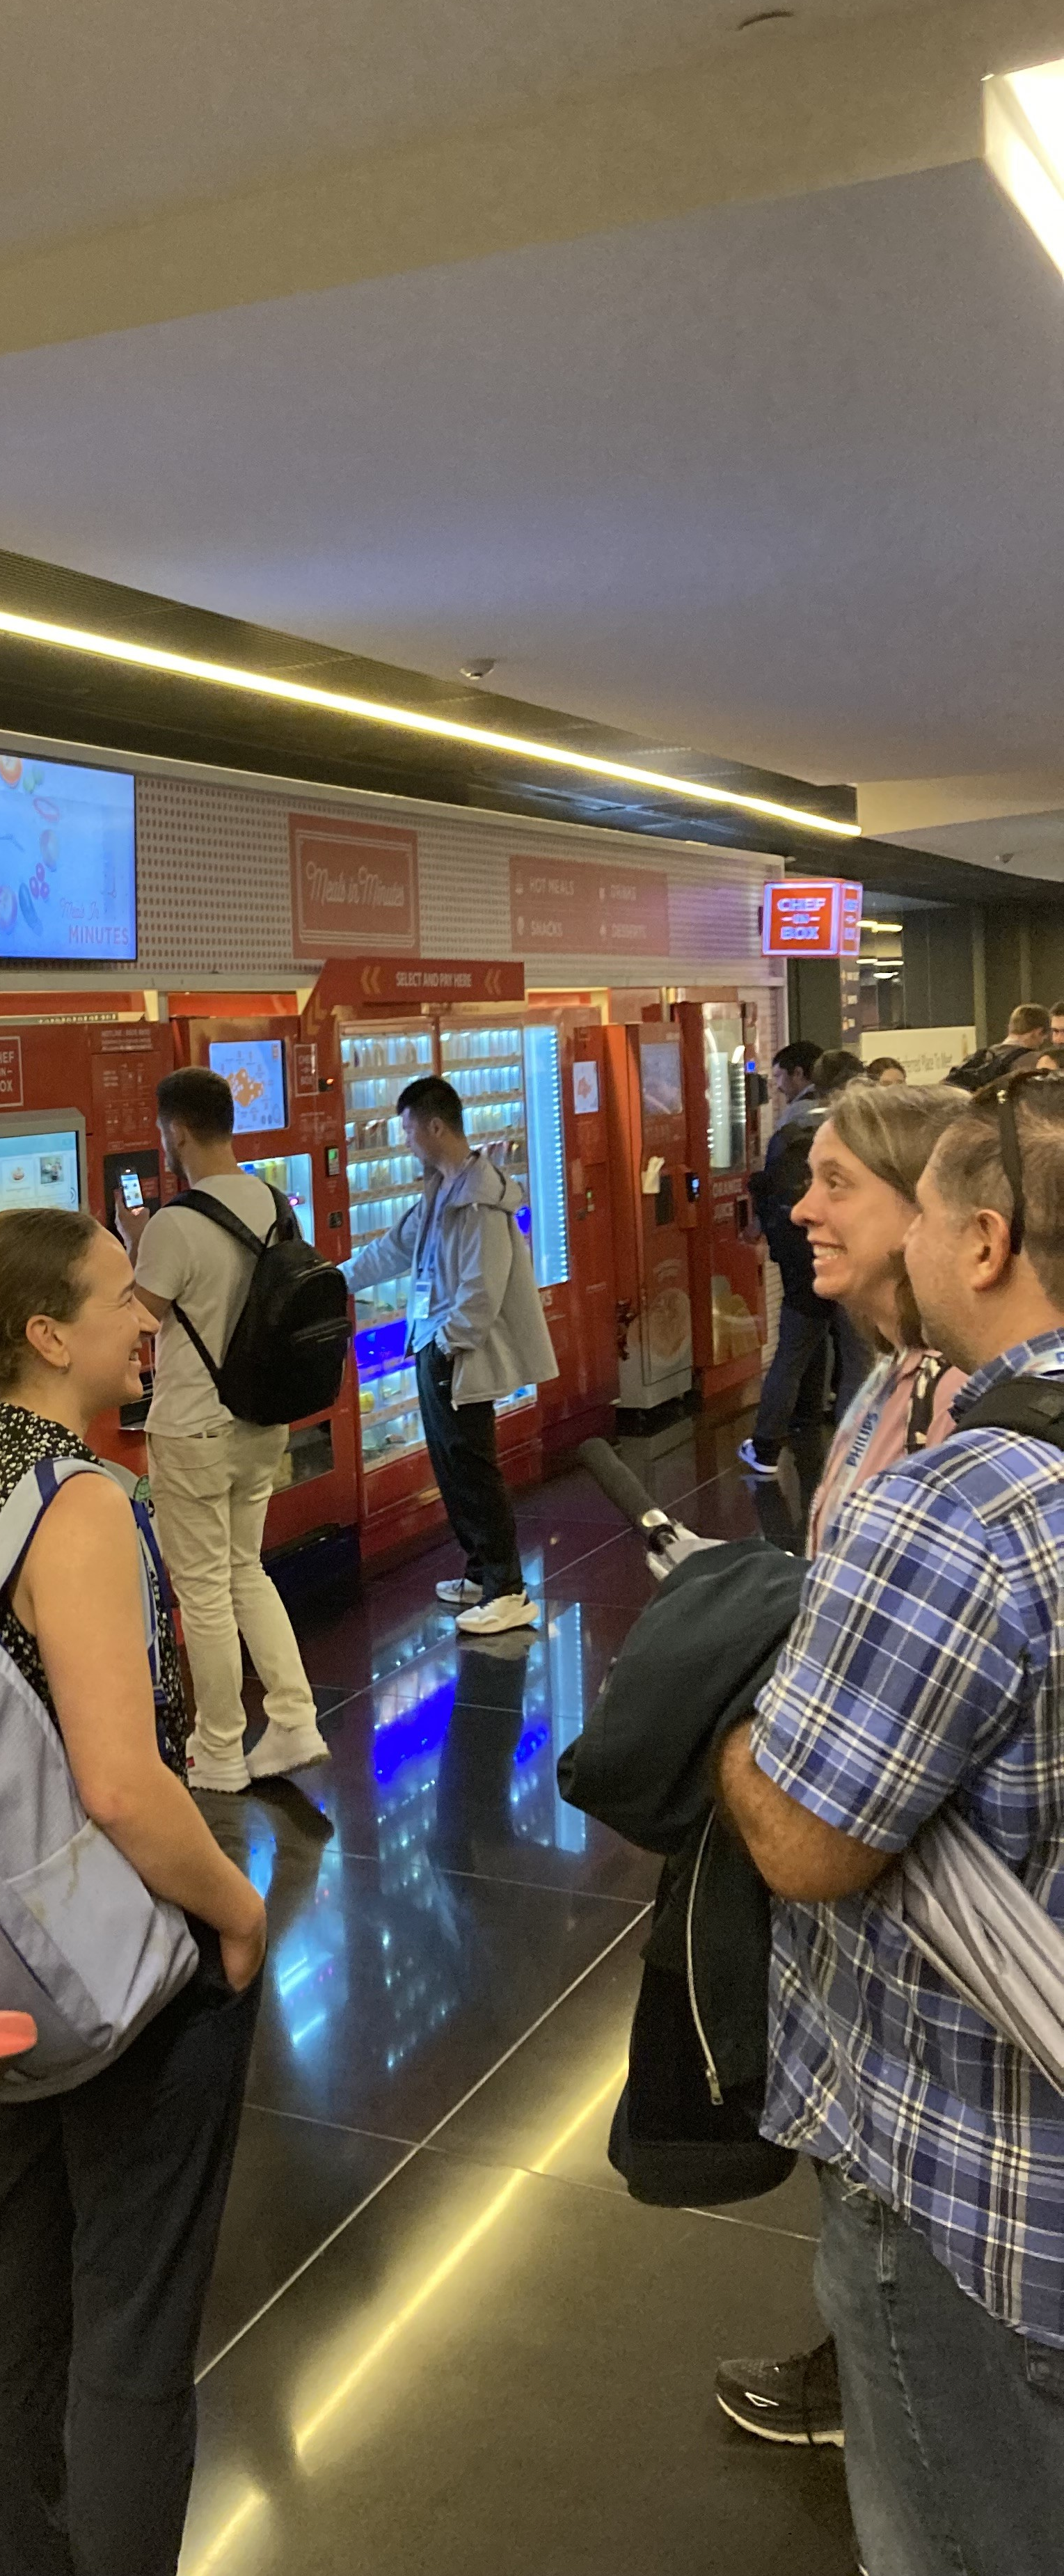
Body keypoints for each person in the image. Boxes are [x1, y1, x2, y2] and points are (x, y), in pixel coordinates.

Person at [716, 1075, 1064, 2573]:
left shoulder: (966, 1503)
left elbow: (807, 1839)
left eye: (905, 1204)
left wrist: (728, 1727)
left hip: (968, 2173)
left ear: (980, 1242)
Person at [0, 1208, 267, 2576]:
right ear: (48, 1335)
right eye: (124, 1296)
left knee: (15, 2300)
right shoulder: (79, 1501)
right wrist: (233, 1907)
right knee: (132, 2323)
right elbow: (120, 1782)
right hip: (114, 1958)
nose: (147, 1317)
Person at [709, 1079, 969, 2452]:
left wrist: (738, 1732)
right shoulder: (889, 1387)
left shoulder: (966, 1437)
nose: (797, 1205)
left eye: (835, 1183)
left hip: (925, 1959)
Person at [115, 1065, 328, 1794]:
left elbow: (138, 1319)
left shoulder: (174, 1224)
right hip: (261, 1422)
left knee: (202, 1592)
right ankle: (295, 1719)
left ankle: (220, 1749)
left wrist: (130, 1244)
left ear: (175, 1132)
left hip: (193, 1431)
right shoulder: (273, 1201)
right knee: (246, 1571)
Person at [341, 1075, 557, 1637]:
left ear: (435, 1126)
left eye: (410, 1129)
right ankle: (482, 1571)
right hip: (437, 1345)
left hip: (460, 1353)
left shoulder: (479, 1199)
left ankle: (509, 1591)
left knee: (473, 1467)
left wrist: (447, 1342)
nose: (407, 1141)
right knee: (452, 1465)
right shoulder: (440, 1190)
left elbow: (481, 1288)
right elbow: (395, 1248)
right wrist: (334, 1278)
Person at [740, 1041, 839, 1477]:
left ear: (801, 1074)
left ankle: (767, 1446)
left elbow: (774, 1189)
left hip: (801, 1257)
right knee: (851, 1353)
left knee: (795, 1347)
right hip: (839, 1254)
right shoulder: (844, 1125)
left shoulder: (794, 1125)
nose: (775, 1086)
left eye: (779, 1076)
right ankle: (842, 1441)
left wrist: (762, 1228)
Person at [946, 1000, 1051, 1092]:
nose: (1042, 1042)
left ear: (1011, 1027)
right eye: (1044, 1037)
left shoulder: (981, 1056)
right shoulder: (1036, 1061)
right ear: (1038, 1032)